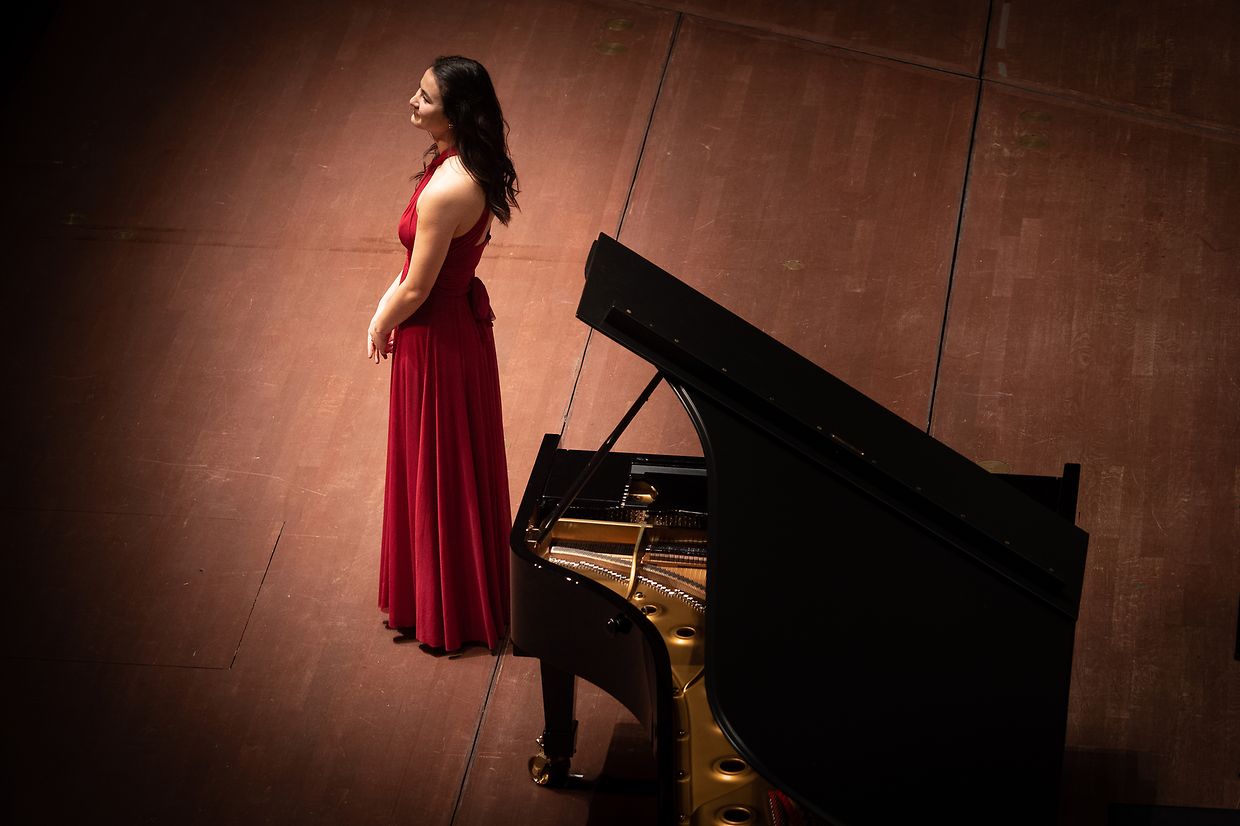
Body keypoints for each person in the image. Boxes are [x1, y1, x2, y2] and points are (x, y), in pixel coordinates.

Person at [368, 56, 518, 654]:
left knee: (438, 466)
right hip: (452, 332)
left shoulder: (449, 187)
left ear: (454, 114)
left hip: (436, 342)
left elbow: (416, 289)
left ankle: (442, 612)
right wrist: (387, 306)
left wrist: (380, 322)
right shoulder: (456, 164)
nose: (413, 101)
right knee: (444, 464)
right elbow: (414, 271)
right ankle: (444, 597)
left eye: (425, 97)